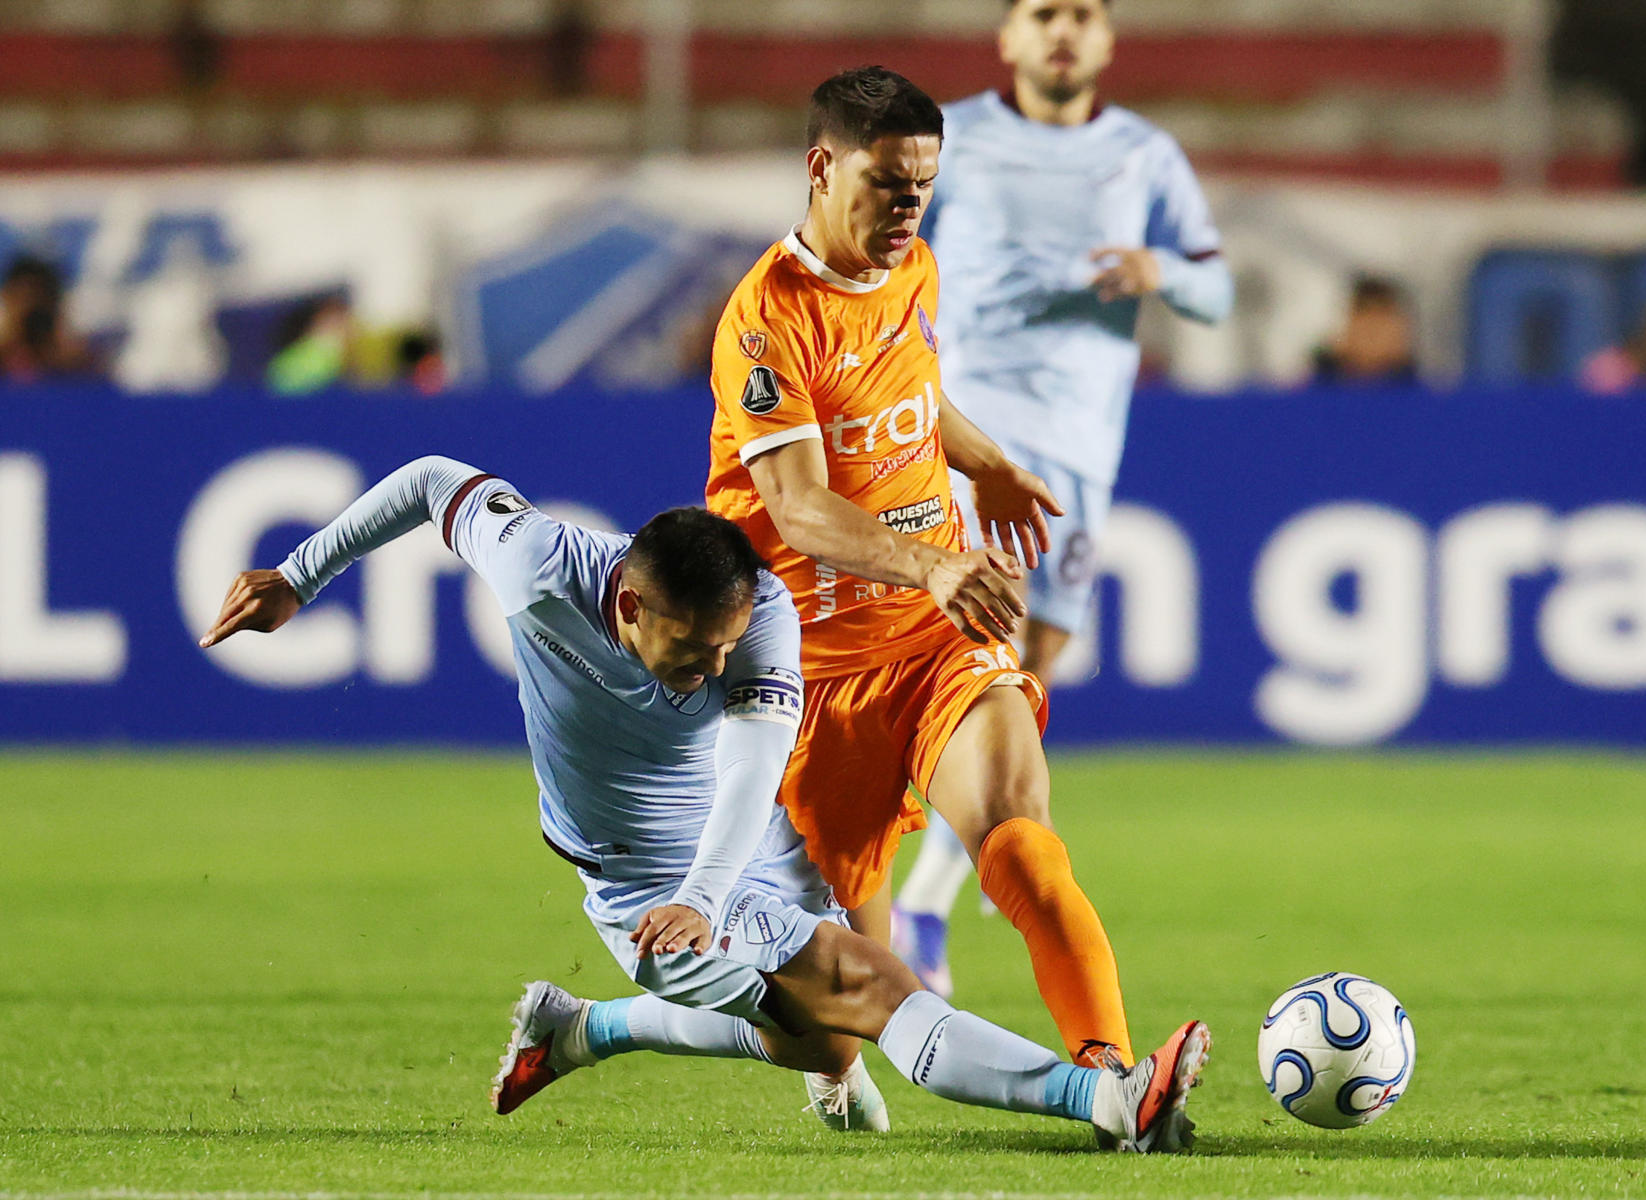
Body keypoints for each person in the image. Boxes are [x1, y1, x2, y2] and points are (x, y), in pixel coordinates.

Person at [197, 456, 1208, 1152]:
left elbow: (753, 764)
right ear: (631, 606)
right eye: (693, 653)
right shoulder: (536, 565)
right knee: (869, 984)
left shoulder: (759, 612)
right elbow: (427, 483)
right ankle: (1109, 1097)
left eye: (725, 652)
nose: (713, 670)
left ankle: (585, 1028)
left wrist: (714, 893)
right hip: (639, 881)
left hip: (742, 842)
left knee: (828, 1035)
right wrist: (297, 574)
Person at [706, 66, 1156, 1081]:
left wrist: (984, 461)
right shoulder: (768, 321)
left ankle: (1116, 1076)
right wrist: (936, 558)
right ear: (822, 167)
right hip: (808, 676)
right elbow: (799, 506)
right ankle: (593, 1025)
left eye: (922, 186)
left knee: (1021, 837)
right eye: (886, 182)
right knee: (844, 1016)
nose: (907, 206)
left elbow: (911, 395)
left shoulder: (913, 269)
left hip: (929, 637)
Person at [893, 0, 1235, 995]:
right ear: (1007, 36)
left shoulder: (1144, 155)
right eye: (1043, 14)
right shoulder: (950, 141)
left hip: (1083, 448)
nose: (1062, 31)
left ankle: (932, 890)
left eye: (1082, 15)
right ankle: (905, 901)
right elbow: (892, 255)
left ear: (1107, 39)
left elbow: (1217, 291)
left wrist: (1162, 271)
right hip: (971, 439)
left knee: (1036, 669)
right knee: (962, 658)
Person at [0, 255, 98, 383]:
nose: (31, 305)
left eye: (40, 296)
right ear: (7, 297)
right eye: (23, 297)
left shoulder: (80, 364)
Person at [1309, 276, 1420, 385]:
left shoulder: (1429, 401)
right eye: (1362, 312)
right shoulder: (1301, 400)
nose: (1372, 327)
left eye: (1382, 315)